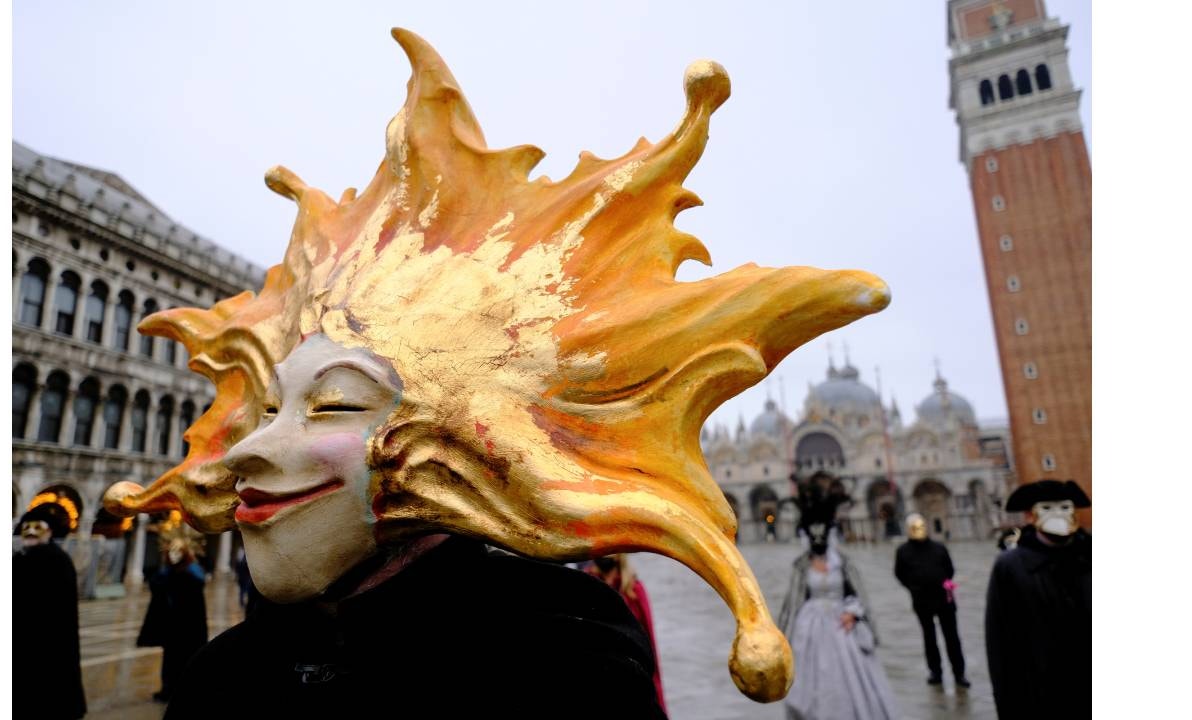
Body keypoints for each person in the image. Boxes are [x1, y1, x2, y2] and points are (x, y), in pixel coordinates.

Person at [102, 27, 892, 711]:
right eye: (270, 409)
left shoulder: (558, 667)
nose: (248, 450)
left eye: (336, 405)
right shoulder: (224, 681)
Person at [778, 482, 899, 720]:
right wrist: (779, 643)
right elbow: (792, 604)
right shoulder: (801, 566)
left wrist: (853, 613)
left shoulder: (843, 563)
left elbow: (856, 594)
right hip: (810, 630)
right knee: (813, 679)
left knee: (851, 681)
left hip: (842, 626)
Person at [985, 479, 1091, 718]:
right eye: (1047, 508)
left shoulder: (1091, 555)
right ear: (1031, 516)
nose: (1058, 515)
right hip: (1042, 692)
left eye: (1064, 507)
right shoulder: (1011, 566)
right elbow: (1001, 643)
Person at [13, 504, 87, 720]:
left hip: (46, 643)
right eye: (27, 527)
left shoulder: (56, 560)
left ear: (49, 531)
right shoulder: (21, 558)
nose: (30, 532)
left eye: (37, 527)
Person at [894, 512, 969, 688]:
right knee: (929, 638)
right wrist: (913, 587)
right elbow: (900, 573)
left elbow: (950, 569)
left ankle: (959, 673)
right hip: (921, 600)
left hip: (944, 599)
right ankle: (935, 672)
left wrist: (941, 583)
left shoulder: (939, 547)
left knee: (952, 637)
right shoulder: (903, 551)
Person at [586, 554, 667, 712]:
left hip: (629, 676)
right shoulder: (587, 584)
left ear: (619, 555)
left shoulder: (634, 590)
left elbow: (649, 642)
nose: (603, 555)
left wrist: (658, 699)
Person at [138, 528, 209, 703]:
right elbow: (158, 588)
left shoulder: (192, 577)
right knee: (171, 661)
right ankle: (168, 689)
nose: (174, 555)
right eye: (172, 552)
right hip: (173, 629)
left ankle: (180, 690)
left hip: (188, 630)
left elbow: (195, 595)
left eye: (178, 552)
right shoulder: (169, 575)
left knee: (184, 661)